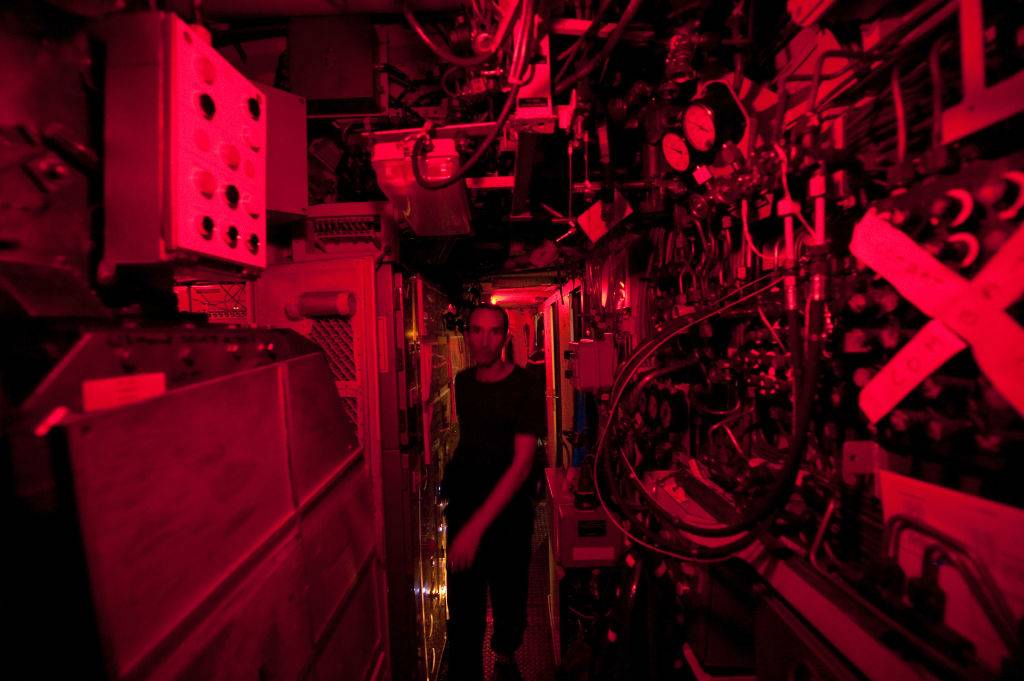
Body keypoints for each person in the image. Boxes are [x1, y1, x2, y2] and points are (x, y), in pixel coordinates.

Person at [442, 303, 546, 681]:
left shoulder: (525, 386)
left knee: (509, 600)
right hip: (466, 507)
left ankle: (504, 658)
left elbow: (521, 465)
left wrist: (475, 529)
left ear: (505, 337)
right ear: (467, 334)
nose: (484, 341)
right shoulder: (463, 383)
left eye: (494, 332)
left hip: (508, 516)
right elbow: (470, 441)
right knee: (464, 611)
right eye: (476, 331)